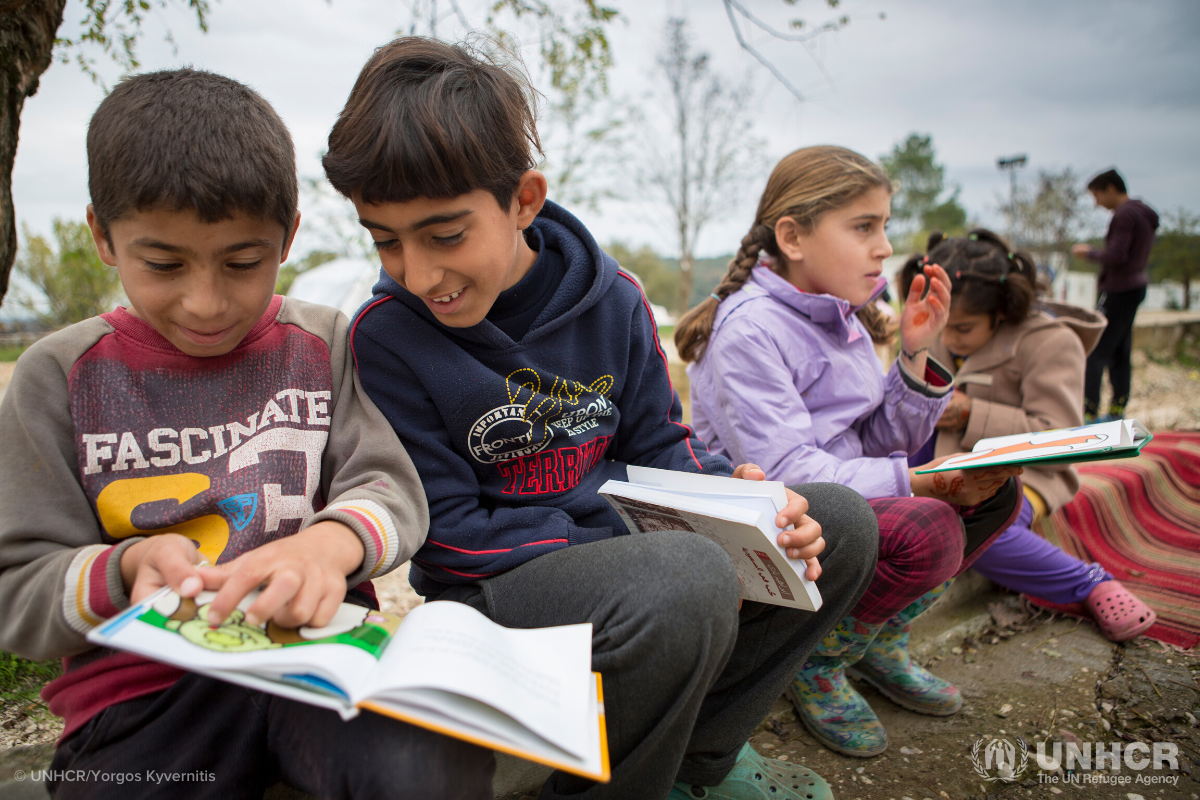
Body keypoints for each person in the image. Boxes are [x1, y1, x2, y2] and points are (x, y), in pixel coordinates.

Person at [331, 37, 880, 800]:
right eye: (385, 240)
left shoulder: (614, 297)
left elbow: (659, 447)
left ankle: (701, 762)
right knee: (684, 575)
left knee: (840, 523)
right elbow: (446, 534)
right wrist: (640, 537)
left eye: (445, 234)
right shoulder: (387, 337)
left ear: (524, 199)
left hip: (640, 556)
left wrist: (736, 501)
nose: (418, 274)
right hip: (493, 591)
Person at [0, 69, 492, 800]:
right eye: (163, 264)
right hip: (142, 695)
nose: (207, 302)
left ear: (288, 236)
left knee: (429, 769)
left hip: (323, 663)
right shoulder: (57, 377)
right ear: (102, 236)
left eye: (242, 262)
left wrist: (326, 546)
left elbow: (391, 490)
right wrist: (126, 570)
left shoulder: (324, 344)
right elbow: (17, 588)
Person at [678, 146, 1023, 758]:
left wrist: (916, 352)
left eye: (885, 226)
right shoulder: (750, 330)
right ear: (793, 237)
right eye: (864, 227)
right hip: (781, 519)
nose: (886, 247)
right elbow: (789, 474)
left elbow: (873, 439)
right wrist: (921, 482)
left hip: (839, 499)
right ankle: (820, 659)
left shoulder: (845, 319)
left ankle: (880, 643)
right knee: (929, 525)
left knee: (1001, 494)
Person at [904, 229, 1157, 642]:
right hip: (943, 458)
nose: (948, 340)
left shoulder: (1051, 342)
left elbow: (1058, 438)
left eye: (963, 329)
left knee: (977, 533)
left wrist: (972, 414)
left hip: (1023, 474)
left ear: (1001, 311)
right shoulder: (943, 330)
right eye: (944, 326)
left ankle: (1090, 583)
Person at [1071, 169, 1159, 421]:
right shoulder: (1143, 213)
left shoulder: (1124, 215)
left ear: (1110, 189)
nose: (1096, 203)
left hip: (1119, 290)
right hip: (1133, 288)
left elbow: (1117, 256)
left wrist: (1088, 253)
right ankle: (1118, 407)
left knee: (1094, 349)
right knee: (1120, 349)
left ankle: (1088, 412)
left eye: (1097, 195)